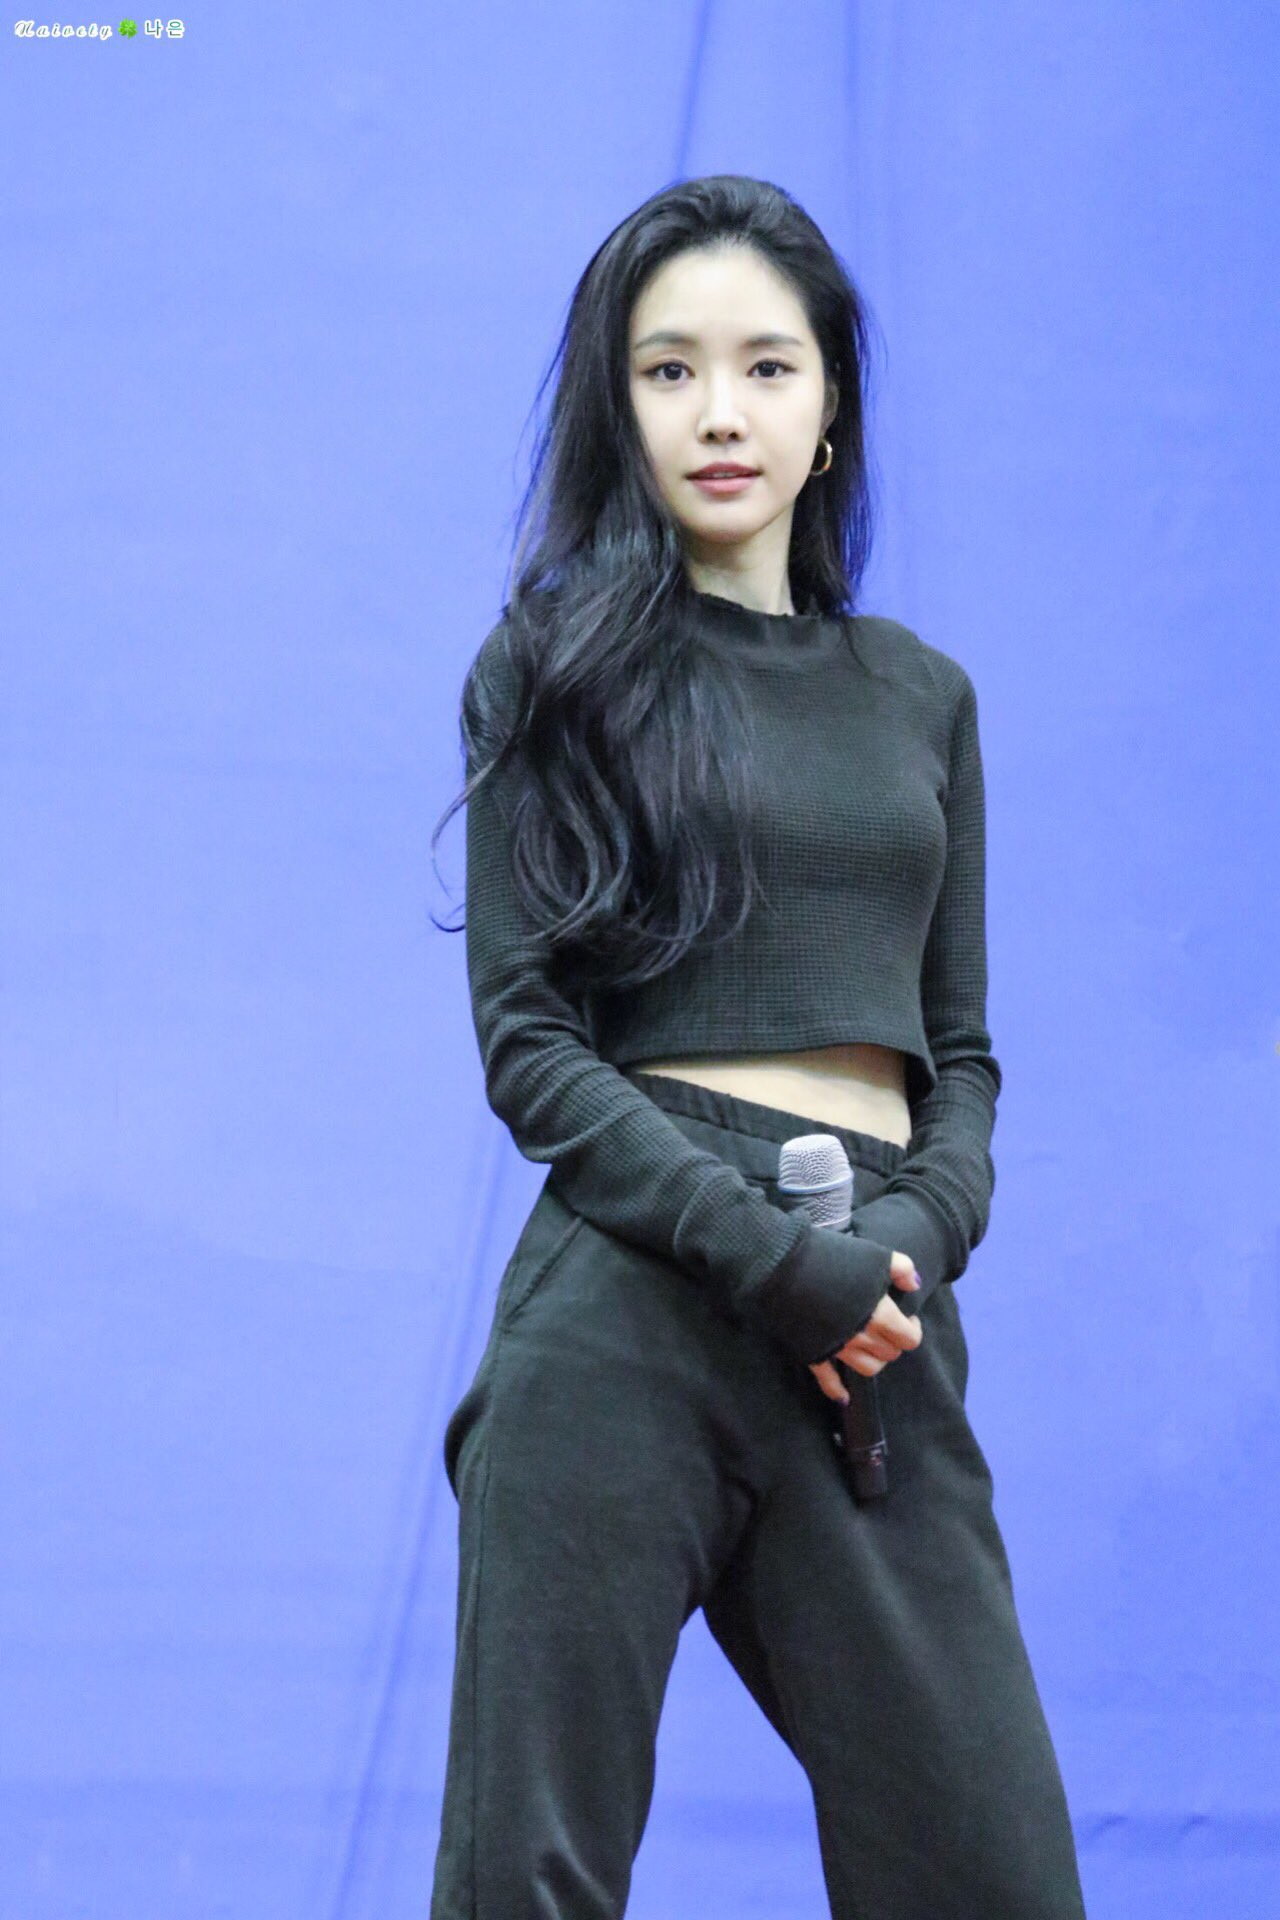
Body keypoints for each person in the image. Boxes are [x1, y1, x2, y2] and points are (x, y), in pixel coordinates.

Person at [428, 174, 1088, 1920]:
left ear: (831, 402)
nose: (720, 412)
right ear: (619, 407)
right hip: (631, 1295)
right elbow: (530, 1044)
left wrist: (909, 1238)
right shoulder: (552, 672)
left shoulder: (921, 697)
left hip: (872, 1307)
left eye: (766, 367)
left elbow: (961, 1056)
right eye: (670, 371)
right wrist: (763, 1259)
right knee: (528, 1880)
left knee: (993, 1877)